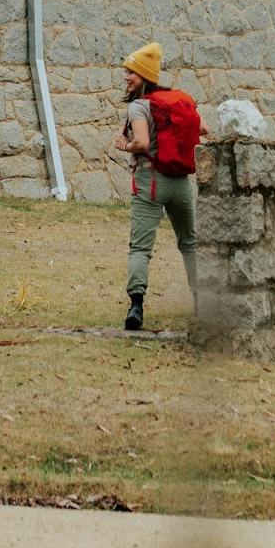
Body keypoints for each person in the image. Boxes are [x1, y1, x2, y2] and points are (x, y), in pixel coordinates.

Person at [110, 41, 202, 332]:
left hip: (150, 181)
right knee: (190, 243)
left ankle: (136, 306)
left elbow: (142, 143)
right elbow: (204, 129)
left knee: (140, 248)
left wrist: (125, 145)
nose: (126, 77)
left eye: (131, 73)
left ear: (145, 76)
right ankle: (203, 302)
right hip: (181, 183)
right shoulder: (176, 101)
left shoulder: (139, 106)